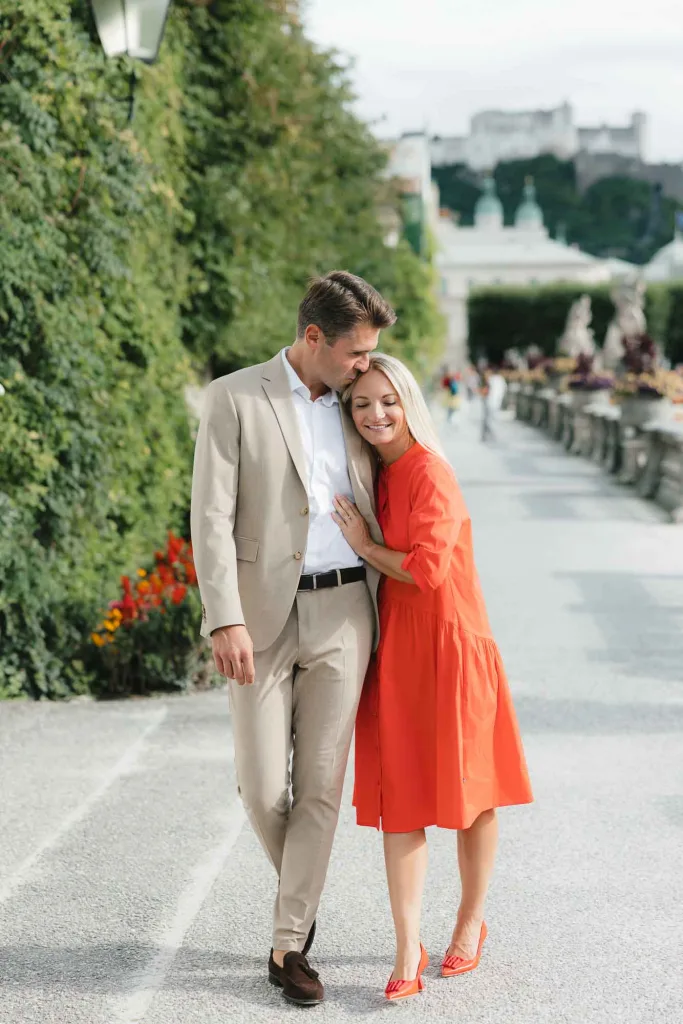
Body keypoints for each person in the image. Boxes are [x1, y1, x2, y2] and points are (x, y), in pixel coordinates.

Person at [191, 271, 396, 1007]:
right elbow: (209, 516)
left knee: (319, 788)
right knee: (257, 786)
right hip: (259, 616)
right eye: (355, 352)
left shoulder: (360, 402)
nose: (364, 365)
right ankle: (302, 899)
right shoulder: (233, 398)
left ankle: (287, 946)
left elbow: (410, 462)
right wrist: (224, 617)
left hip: (346, 613)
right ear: (313, 339)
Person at [332, 353, 533, 1002]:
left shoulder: (429, 474)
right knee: (402, 802)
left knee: (471, 796)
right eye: (361, 403)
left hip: (452, 649)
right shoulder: (377, 475)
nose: (374, 414)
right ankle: (405, 945)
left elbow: (426, 571)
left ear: (409, 401)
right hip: (401, 653)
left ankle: (470, 922)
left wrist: (364, 546)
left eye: (386, 400)